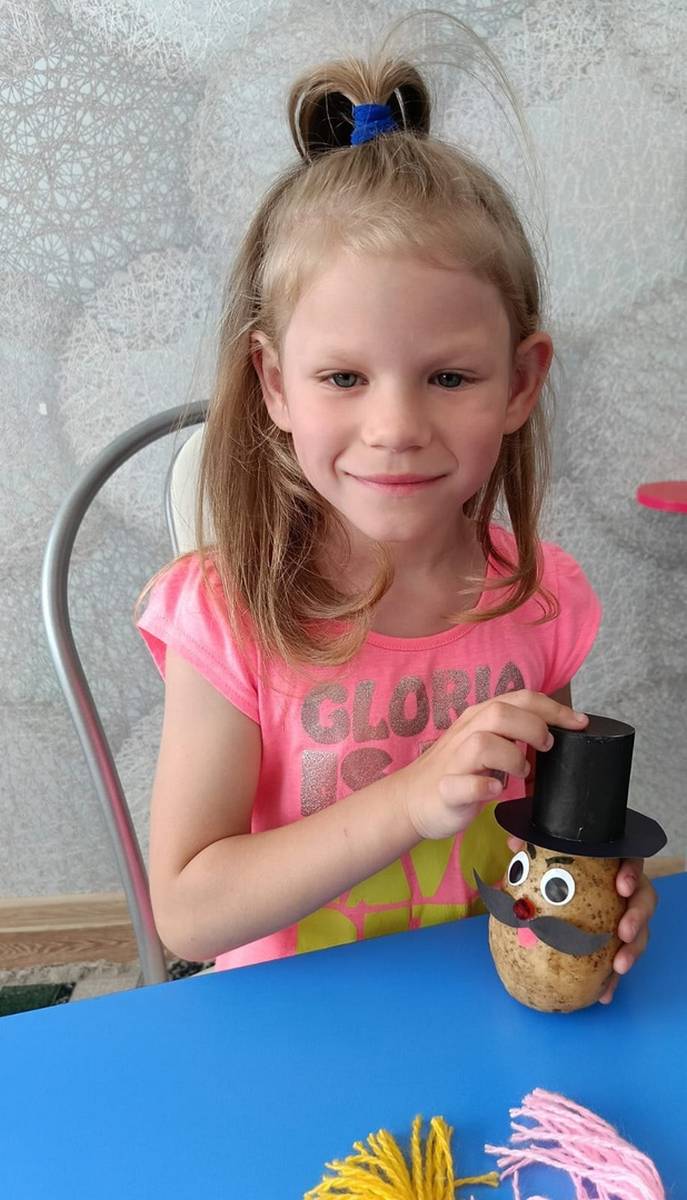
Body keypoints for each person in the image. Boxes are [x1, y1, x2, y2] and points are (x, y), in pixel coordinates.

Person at [134, 27, 656, 999]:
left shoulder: (539, 603)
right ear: (274, 384)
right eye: (343, 377)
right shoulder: (228, 615)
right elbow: (190, 911)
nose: (396, 429)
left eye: (449, 377)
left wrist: (591, 883)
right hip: (293, 1022)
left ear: (519, 382)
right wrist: (409, 800)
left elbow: (540, 838)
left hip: (478, 1002)